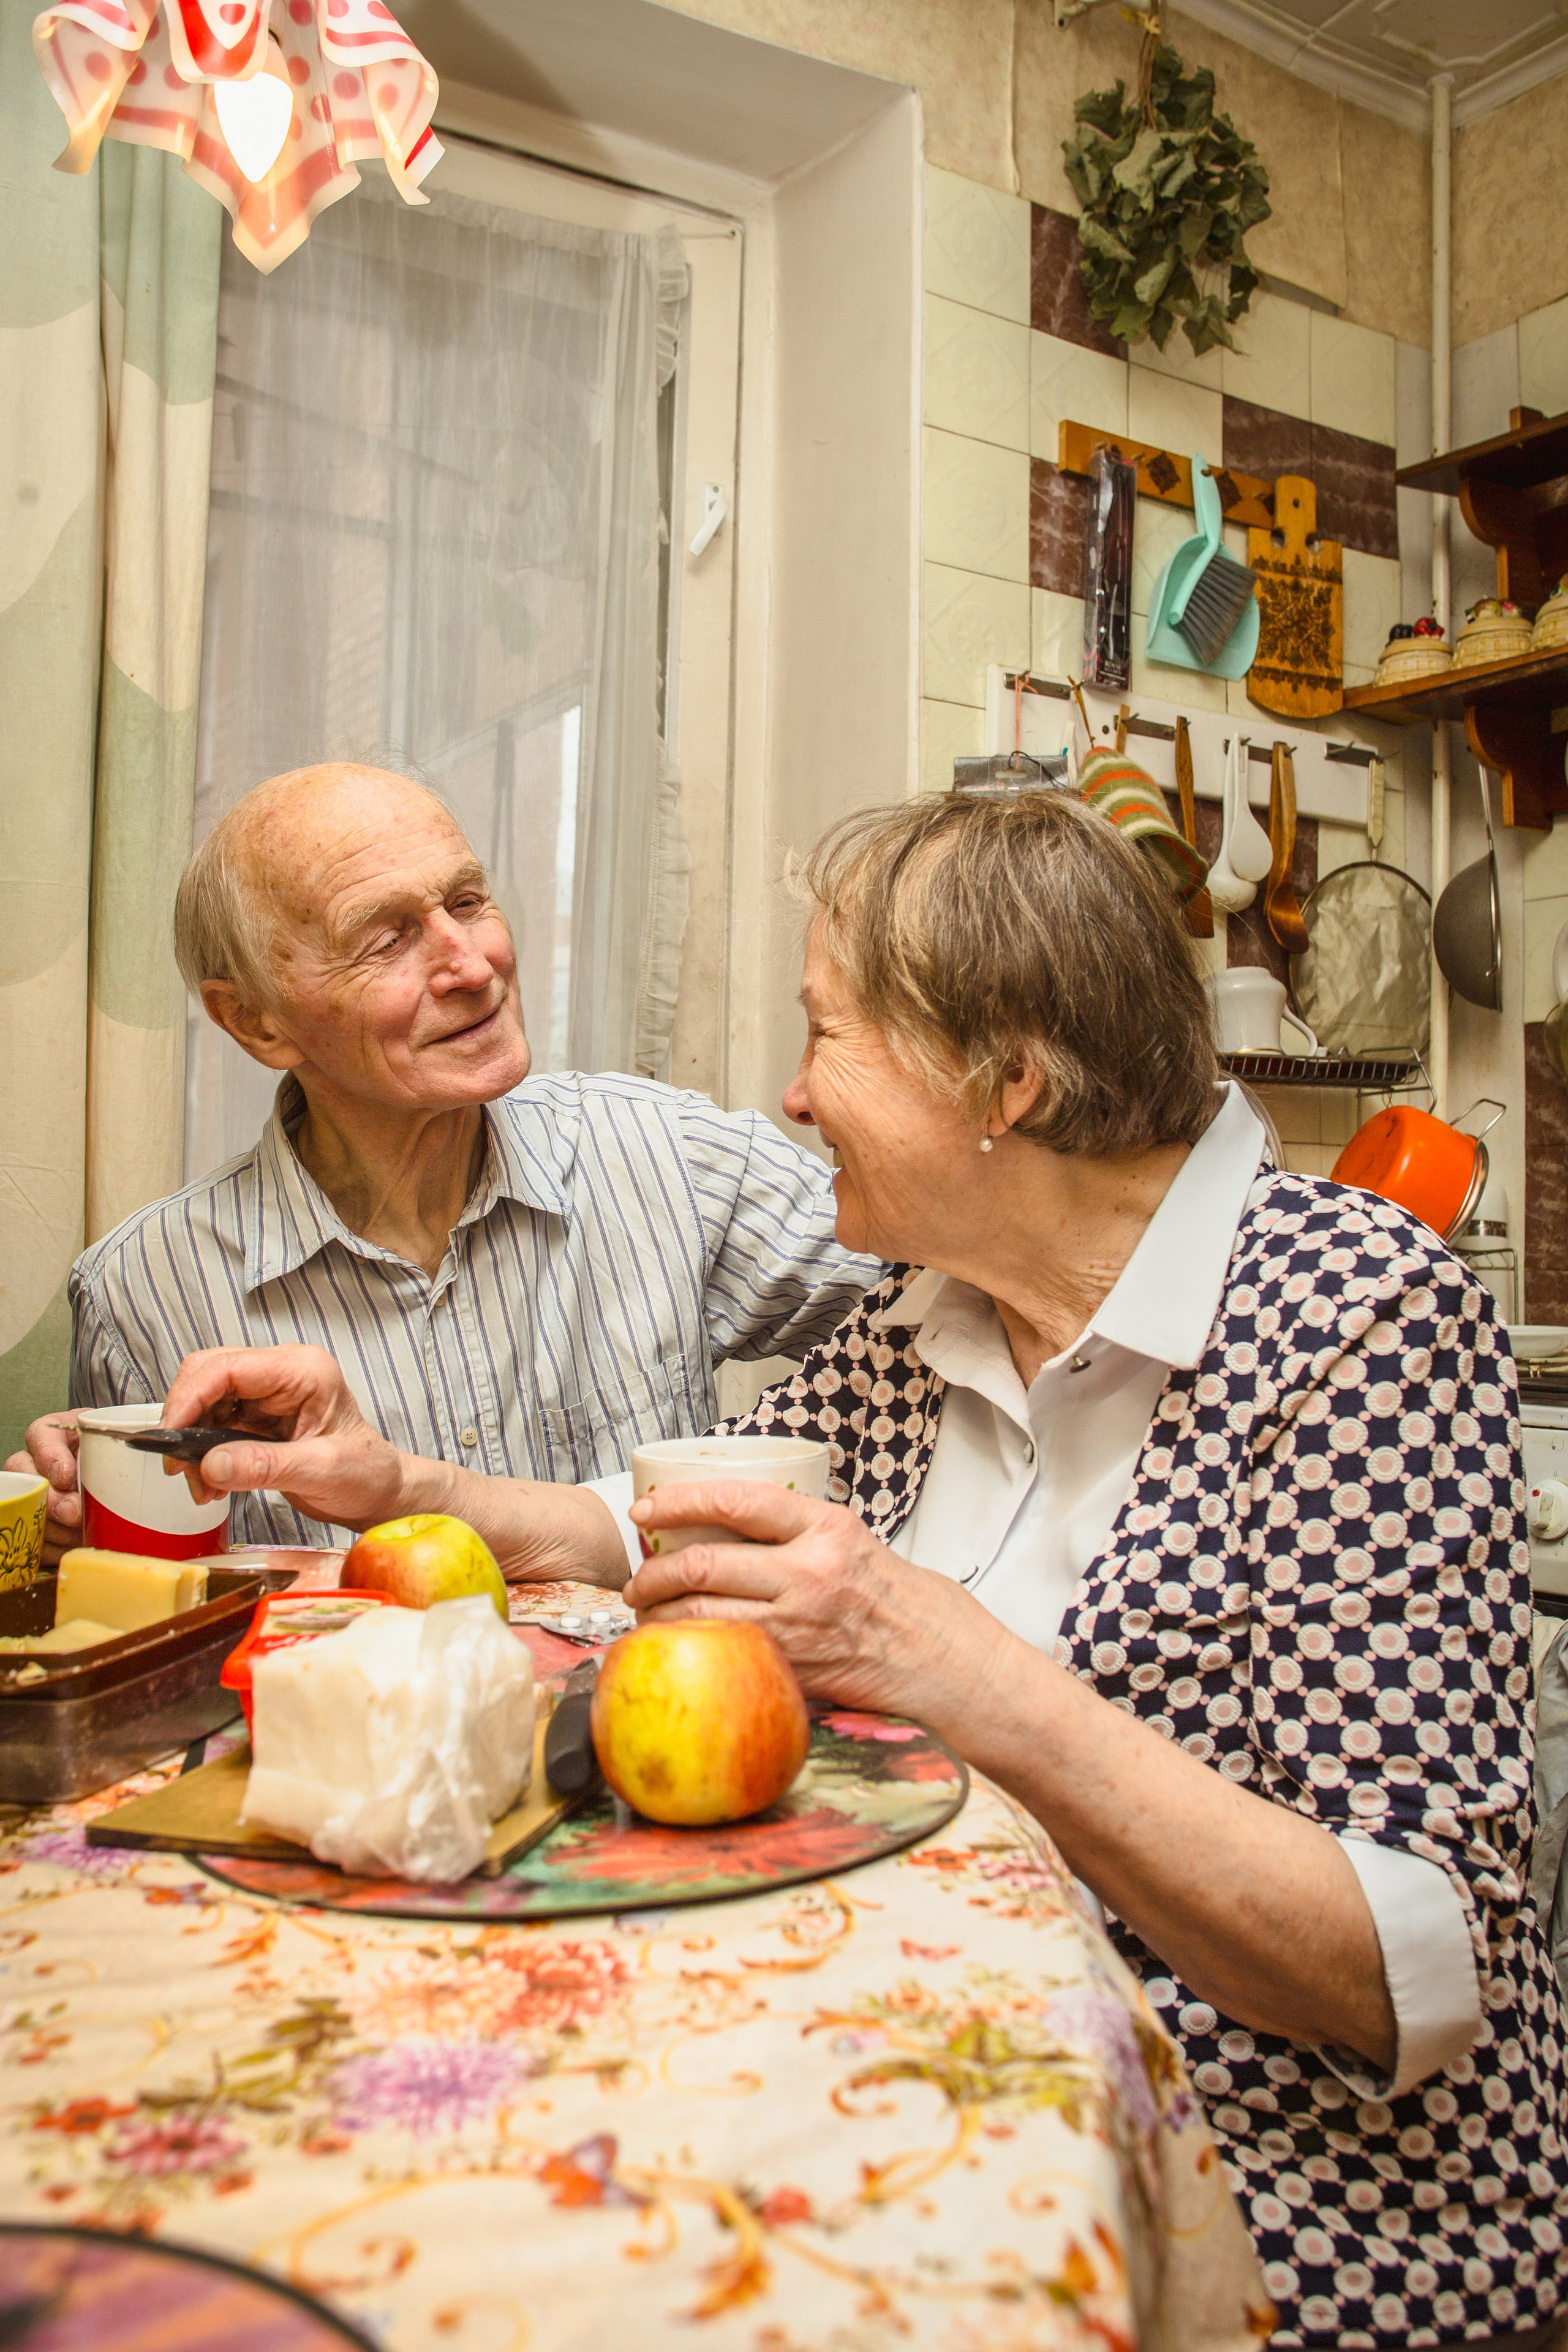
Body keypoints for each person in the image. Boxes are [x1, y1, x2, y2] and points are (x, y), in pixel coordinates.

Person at [159, 791, 1567, 2350]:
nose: (791, 1093)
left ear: (1006, 1081)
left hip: (1271, 2196)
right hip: (953, 2073)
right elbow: (663, 1524)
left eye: (827, 1036)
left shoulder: (1353, 1316)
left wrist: (935, 1655)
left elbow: (1405, 1971)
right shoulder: (929, 1315)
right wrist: (402, 1486)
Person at [6, 764, 878, 1568]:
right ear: (255, 1023)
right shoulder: (145, 1293)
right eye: (386, 940)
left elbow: (969, 1329)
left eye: (467, 901)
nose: (473, 964)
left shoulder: (672, 1158)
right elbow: (145, 1607)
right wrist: (71, 1534)